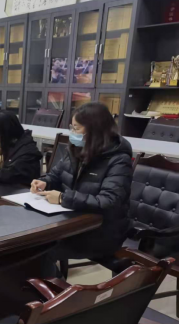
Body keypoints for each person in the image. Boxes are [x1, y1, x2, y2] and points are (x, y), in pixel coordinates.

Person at [31, 102, 133, 277]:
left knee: (40, 253)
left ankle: (56, 292)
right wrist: (44, 182)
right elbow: (56, 175)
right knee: (30, 244)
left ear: (94, 130)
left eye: (76, 128)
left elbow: (109, 201)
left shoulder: (118, 160)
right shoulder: (75, 150)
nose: (72, 132)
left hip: (101, 231)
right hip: (71, 222)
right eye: (71, 127)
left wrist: (63, 198)